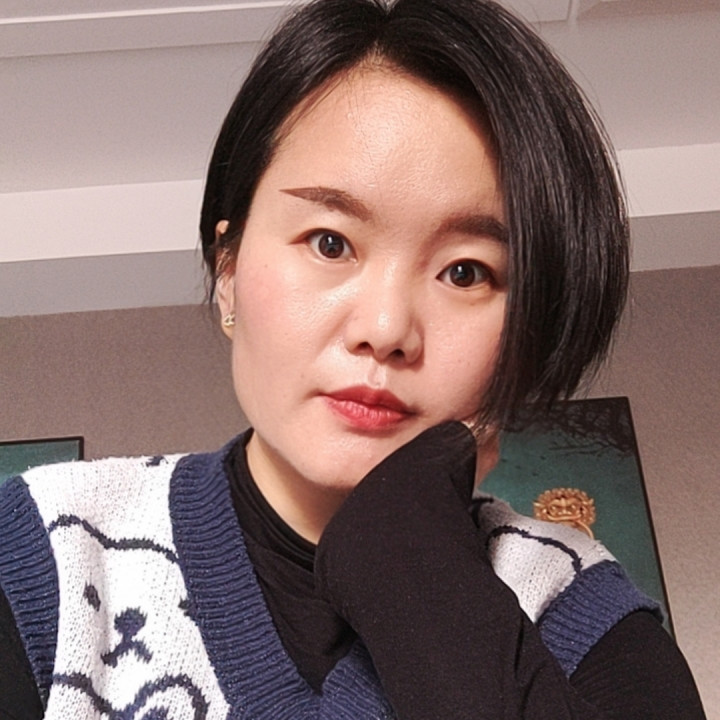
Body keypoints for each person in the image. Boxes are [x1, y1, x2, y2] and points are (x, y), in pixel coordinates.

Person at [0, 0, 707, 718]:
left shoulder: (580, 611)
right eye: (330, 243)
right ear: (228, 271)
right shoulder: (44, 554)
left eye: (465, 272)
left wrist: (407, 558)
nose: (386, 328)